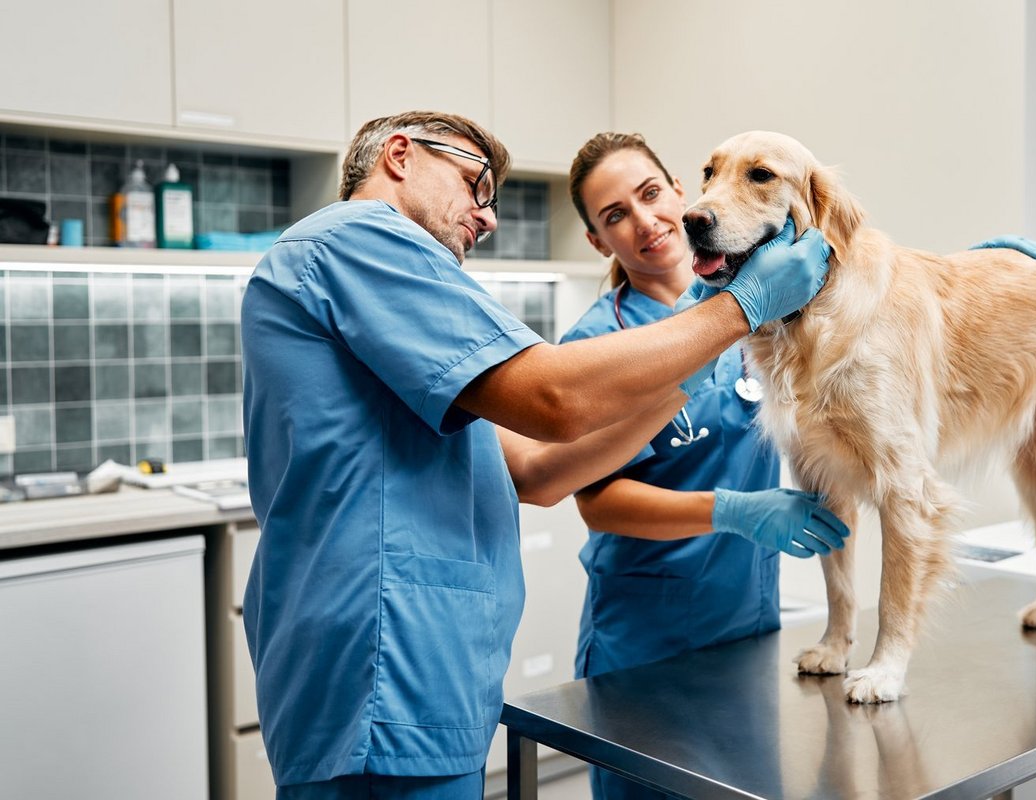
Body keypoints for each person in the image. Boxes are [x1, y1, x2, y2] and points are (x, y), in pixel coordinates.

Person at [239, 110, 847, 800]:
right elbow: (555, 399)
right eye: (474, 184)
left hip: (425, 675)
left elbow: (536, 469)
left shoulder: (388, 283)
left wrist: (690, 356)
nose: (487, 216)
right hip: (385, 669)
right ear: (400, 156)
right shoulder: (360, 239)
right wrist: (741, 307)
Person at [562, 132, 846, 800]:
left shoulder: (760, 315)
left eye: (651, 194)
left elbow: (866, 306)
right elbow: (594, 500)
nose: (645, 221)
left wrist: (986, 272)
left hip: (746, 632)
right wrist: (732, 511)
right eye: (614, 216)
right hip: (645, 645)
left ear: (684, 193)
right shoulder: (599, 342)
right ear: (599, 242)